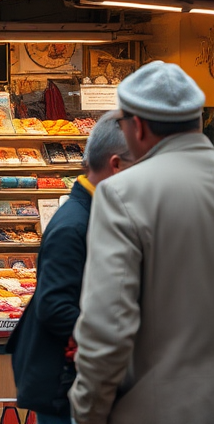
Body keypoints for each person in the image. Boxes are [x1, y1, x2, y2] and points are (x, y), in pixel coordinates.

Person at [70, 61, 214, 424]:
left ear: (138, 127)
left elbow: (108, 325)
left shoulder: (124, 193)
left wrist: (87, 413)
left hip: (162, 408)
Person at [7, 111, 133, 424]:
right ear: (116, 165)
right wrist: (115, 342)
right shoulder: (75, 224)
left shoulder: (94, 213)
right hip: (63, 383)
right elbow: (54, 306)